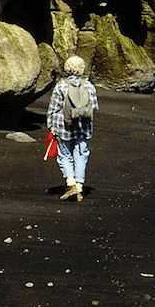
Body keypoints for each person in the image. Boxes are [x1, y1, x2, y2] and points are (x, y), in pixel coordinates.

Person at [46, 56, 99, 202]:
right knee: (81, 155)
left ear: (67, 69)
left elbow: (53, 108)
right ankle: (80, 186)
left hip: (64, 127)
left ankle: (70, 183)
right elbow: (95, 107)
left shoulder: (61, 86)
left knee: (65, 155)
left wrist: (51, 126)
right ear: (82, 69)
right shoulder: (89, 86)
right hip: (84, 127)